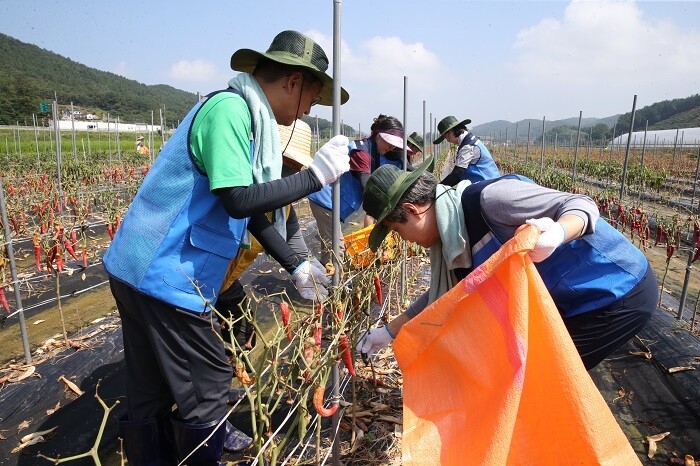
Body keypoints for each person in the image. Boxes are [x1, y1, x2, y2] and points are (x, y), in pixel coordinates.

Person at [103, 30, 350, 465]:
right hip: (167, 272)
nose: (310, 107)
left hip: (141, 267)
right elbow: (238, 200)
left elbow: (251, 210)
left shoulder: (247, 120)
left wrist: (294, 265)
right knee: (210, 383)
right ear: (293, 82)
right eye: (313, 94)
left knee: (152, 390)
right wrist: (315, 177)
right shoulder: (230, 111)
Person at [357, 159, 657, 371]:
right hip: (572, 299)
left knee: (540, 380)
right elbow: (443, 297)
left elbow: (582, 204)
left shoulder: (491, 201)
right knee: (520, 372)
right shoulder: (453, 241)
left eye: (398, 231)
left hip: (617, 290)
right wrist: (390, 331)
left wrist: (558, 231)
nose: (406, 241)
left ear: (412, 210)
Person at [307, 114, 411, 266]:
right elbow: (367, 184)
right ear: (378, 135)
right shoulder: (361, 151)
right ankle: (333, 286)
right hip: (325, 200)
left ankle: (326, 277)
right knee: (337, 247)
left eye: (395, 145)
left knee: (330, 246)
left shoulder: (373, 150)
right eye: (389, 142)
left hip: (331, 201)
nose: (391, 147)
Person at [433, 115, 500, 186]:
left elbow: (457, 173)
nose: (448, 141)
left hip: (487, 185)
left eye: (446, 137)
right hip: (488, 183)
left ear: (451, 131)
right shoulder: (469, 141)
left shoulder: (468, 146)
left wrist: (438, 188)